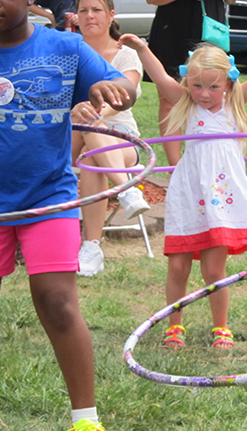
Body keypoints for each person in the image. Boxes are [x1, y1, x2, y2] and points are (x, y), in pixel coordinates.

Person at [0, 0, 137, 427]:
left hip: (49, 198)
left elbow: (128, 86)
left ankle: (86, 419)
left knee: (57, 302)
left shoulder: (65, 48)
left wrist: (113, 89)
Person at [119, 15, 247, 349]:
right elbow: (160, 76)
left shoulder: (233, 106)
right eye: (197, 86)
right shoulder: (187, 106)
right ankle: (174, 325)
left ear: (229, 84)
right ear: (188, 84)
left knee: (213, 269)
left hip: (220, 197)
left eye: (213, 86)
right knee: (177, 266)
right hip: (188, 194)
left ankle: (221, 326)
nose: (204, 94)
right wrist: (142, 48)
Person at [70, 0, 149, 277]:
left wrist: (92, 113)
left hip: (120, 138)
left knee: (93, 152)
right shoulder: (68, 51)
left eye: (96, 10)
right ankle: (125, 189)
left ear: (110, 15)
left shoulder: (125, 55)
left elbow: (121, 98)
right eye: (83, 10)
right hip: (69, 135)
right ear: (76, 17)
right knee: (90, 127)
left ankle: (91, 247)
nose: (89, 16)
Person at [145, 0, 235, 168]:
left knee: (213, 98)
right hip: (172, 27)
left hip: (209, 27)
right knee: (168, 100)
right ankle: (175, 168)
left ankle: (209, 163)